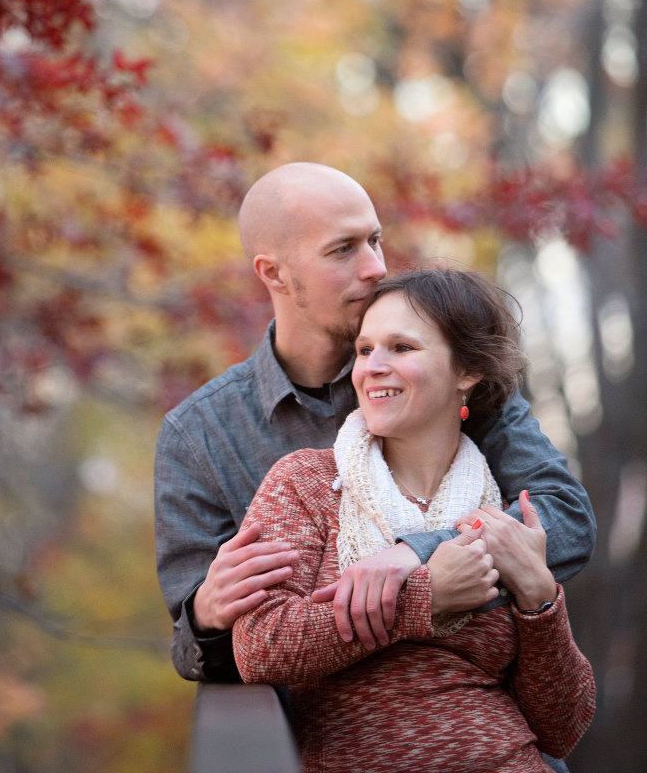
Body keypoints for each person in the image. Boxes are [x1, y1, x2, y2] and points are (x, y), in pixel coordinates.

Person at [153, 163, 595, 693]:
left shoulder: (442, 375)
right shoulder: (199, 433)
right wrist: (205, 616)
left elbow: (565, 520)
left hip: (496, 720)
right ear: (273, 273)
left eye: (375, 240)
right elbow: (198, 651)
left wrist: (417, 552)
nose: (374, 268)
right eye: (343, 250)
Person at [232, 268, 596, 773]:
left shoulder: (504, 506)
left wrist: (538, 596)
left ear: (466, 370)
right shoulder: (308, 484)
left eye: (401, 348)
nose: (371, 367)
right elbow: (262, 647)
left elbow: (561, 725)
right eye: (364, 350)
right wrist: (423, 597)